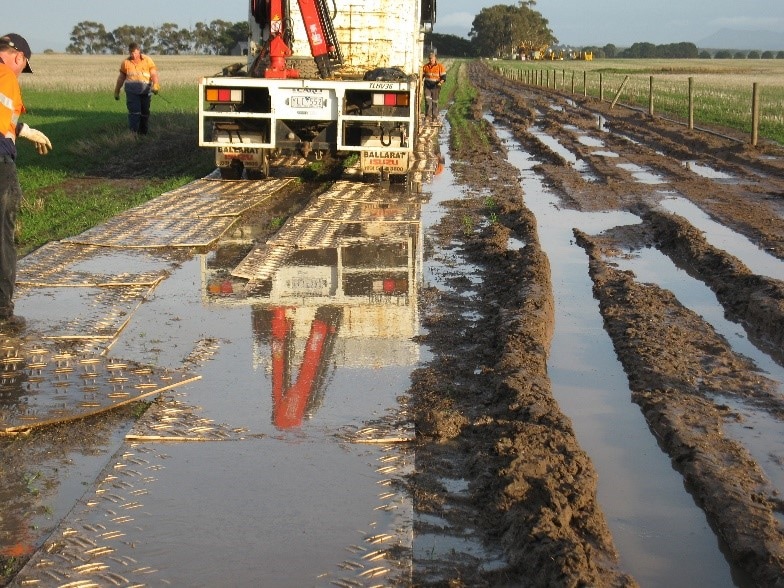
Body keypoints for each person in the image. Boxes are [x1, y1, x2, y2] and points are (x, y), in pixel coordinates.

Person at [0, 33, 52, 331]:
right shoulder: (6, 74)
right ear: (18, 57)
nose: (21, 71)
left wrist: (21, 129)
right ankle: (2, 311)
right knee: (2, 238)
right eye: (24, 66)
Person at [114, 43, 160, 135]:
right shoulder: (125, 63)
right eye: (131, 53)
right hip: (132, 92)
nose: (133, 55)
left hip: (145, 91)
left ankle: (143, 134)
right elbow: (121, 78)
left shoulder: (148, 60)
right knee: (134, 112)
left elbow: (153, 74)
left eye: (135, 53)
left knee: (145, 113)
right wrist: (117, 91)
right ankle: (133, 134)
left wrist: (156, 85)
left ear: (139, 51)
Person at [421, 52, 446, 123]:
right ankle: (428, 116)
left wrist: (440, 82)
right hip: (427, 87)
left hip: (435, 87)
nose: (431, 60)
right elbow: (421, 76)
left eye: (432, 58)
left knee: (434, 102)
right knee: (428, 101)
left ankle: (434, 116)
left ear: (435, 58)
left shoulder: (440, 67)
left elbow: (444, 77)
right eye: (429, 58)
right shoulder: (425, 67)